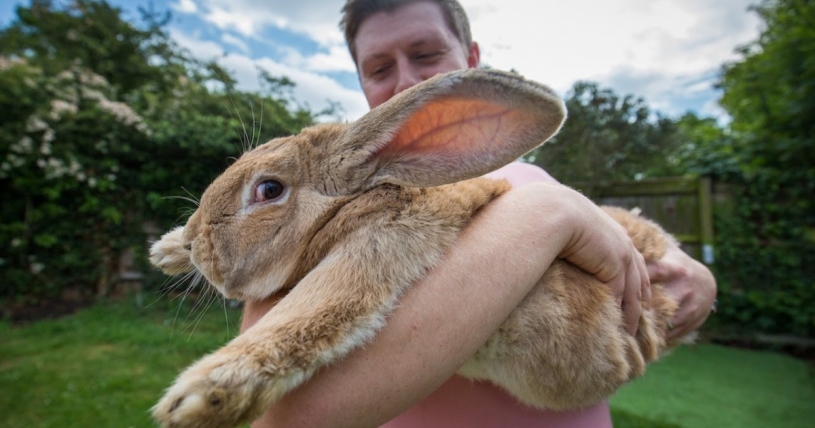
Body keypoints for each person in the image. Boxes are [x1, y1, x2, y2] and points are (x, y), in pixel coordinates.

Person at [241, 1, 718, 427]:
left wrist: (695, 277)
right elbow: (280, 413)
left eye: (427, 55)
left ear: (472, 60)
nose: (407, 80)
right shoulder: (324, 206)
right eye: (379, 68)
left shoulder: (537, 180)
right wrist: (549, 216)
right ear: (361, 83)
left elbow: (628, 270)